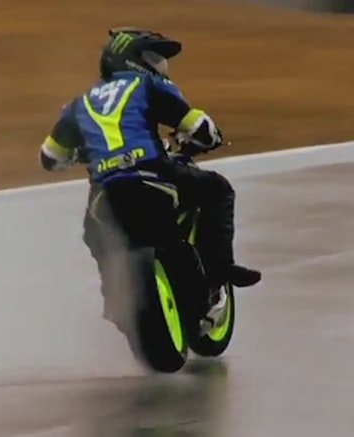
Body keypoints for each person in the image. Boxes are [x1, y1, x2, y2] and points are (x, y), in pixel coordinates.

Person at [38, 27, 261, 332]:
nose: (160, 65)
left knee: (95, 233)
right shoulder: (146, 85)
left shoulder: (78, 105)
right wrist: (209, 139)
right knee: (218, 190)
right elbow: (200, 127)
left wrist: (80, 154)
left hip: (105, 191)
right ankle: (219, 272)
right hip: (152, 173)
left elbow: (49, 157)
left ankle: (115, 299)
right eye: (153, 58)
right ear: (131, 59)